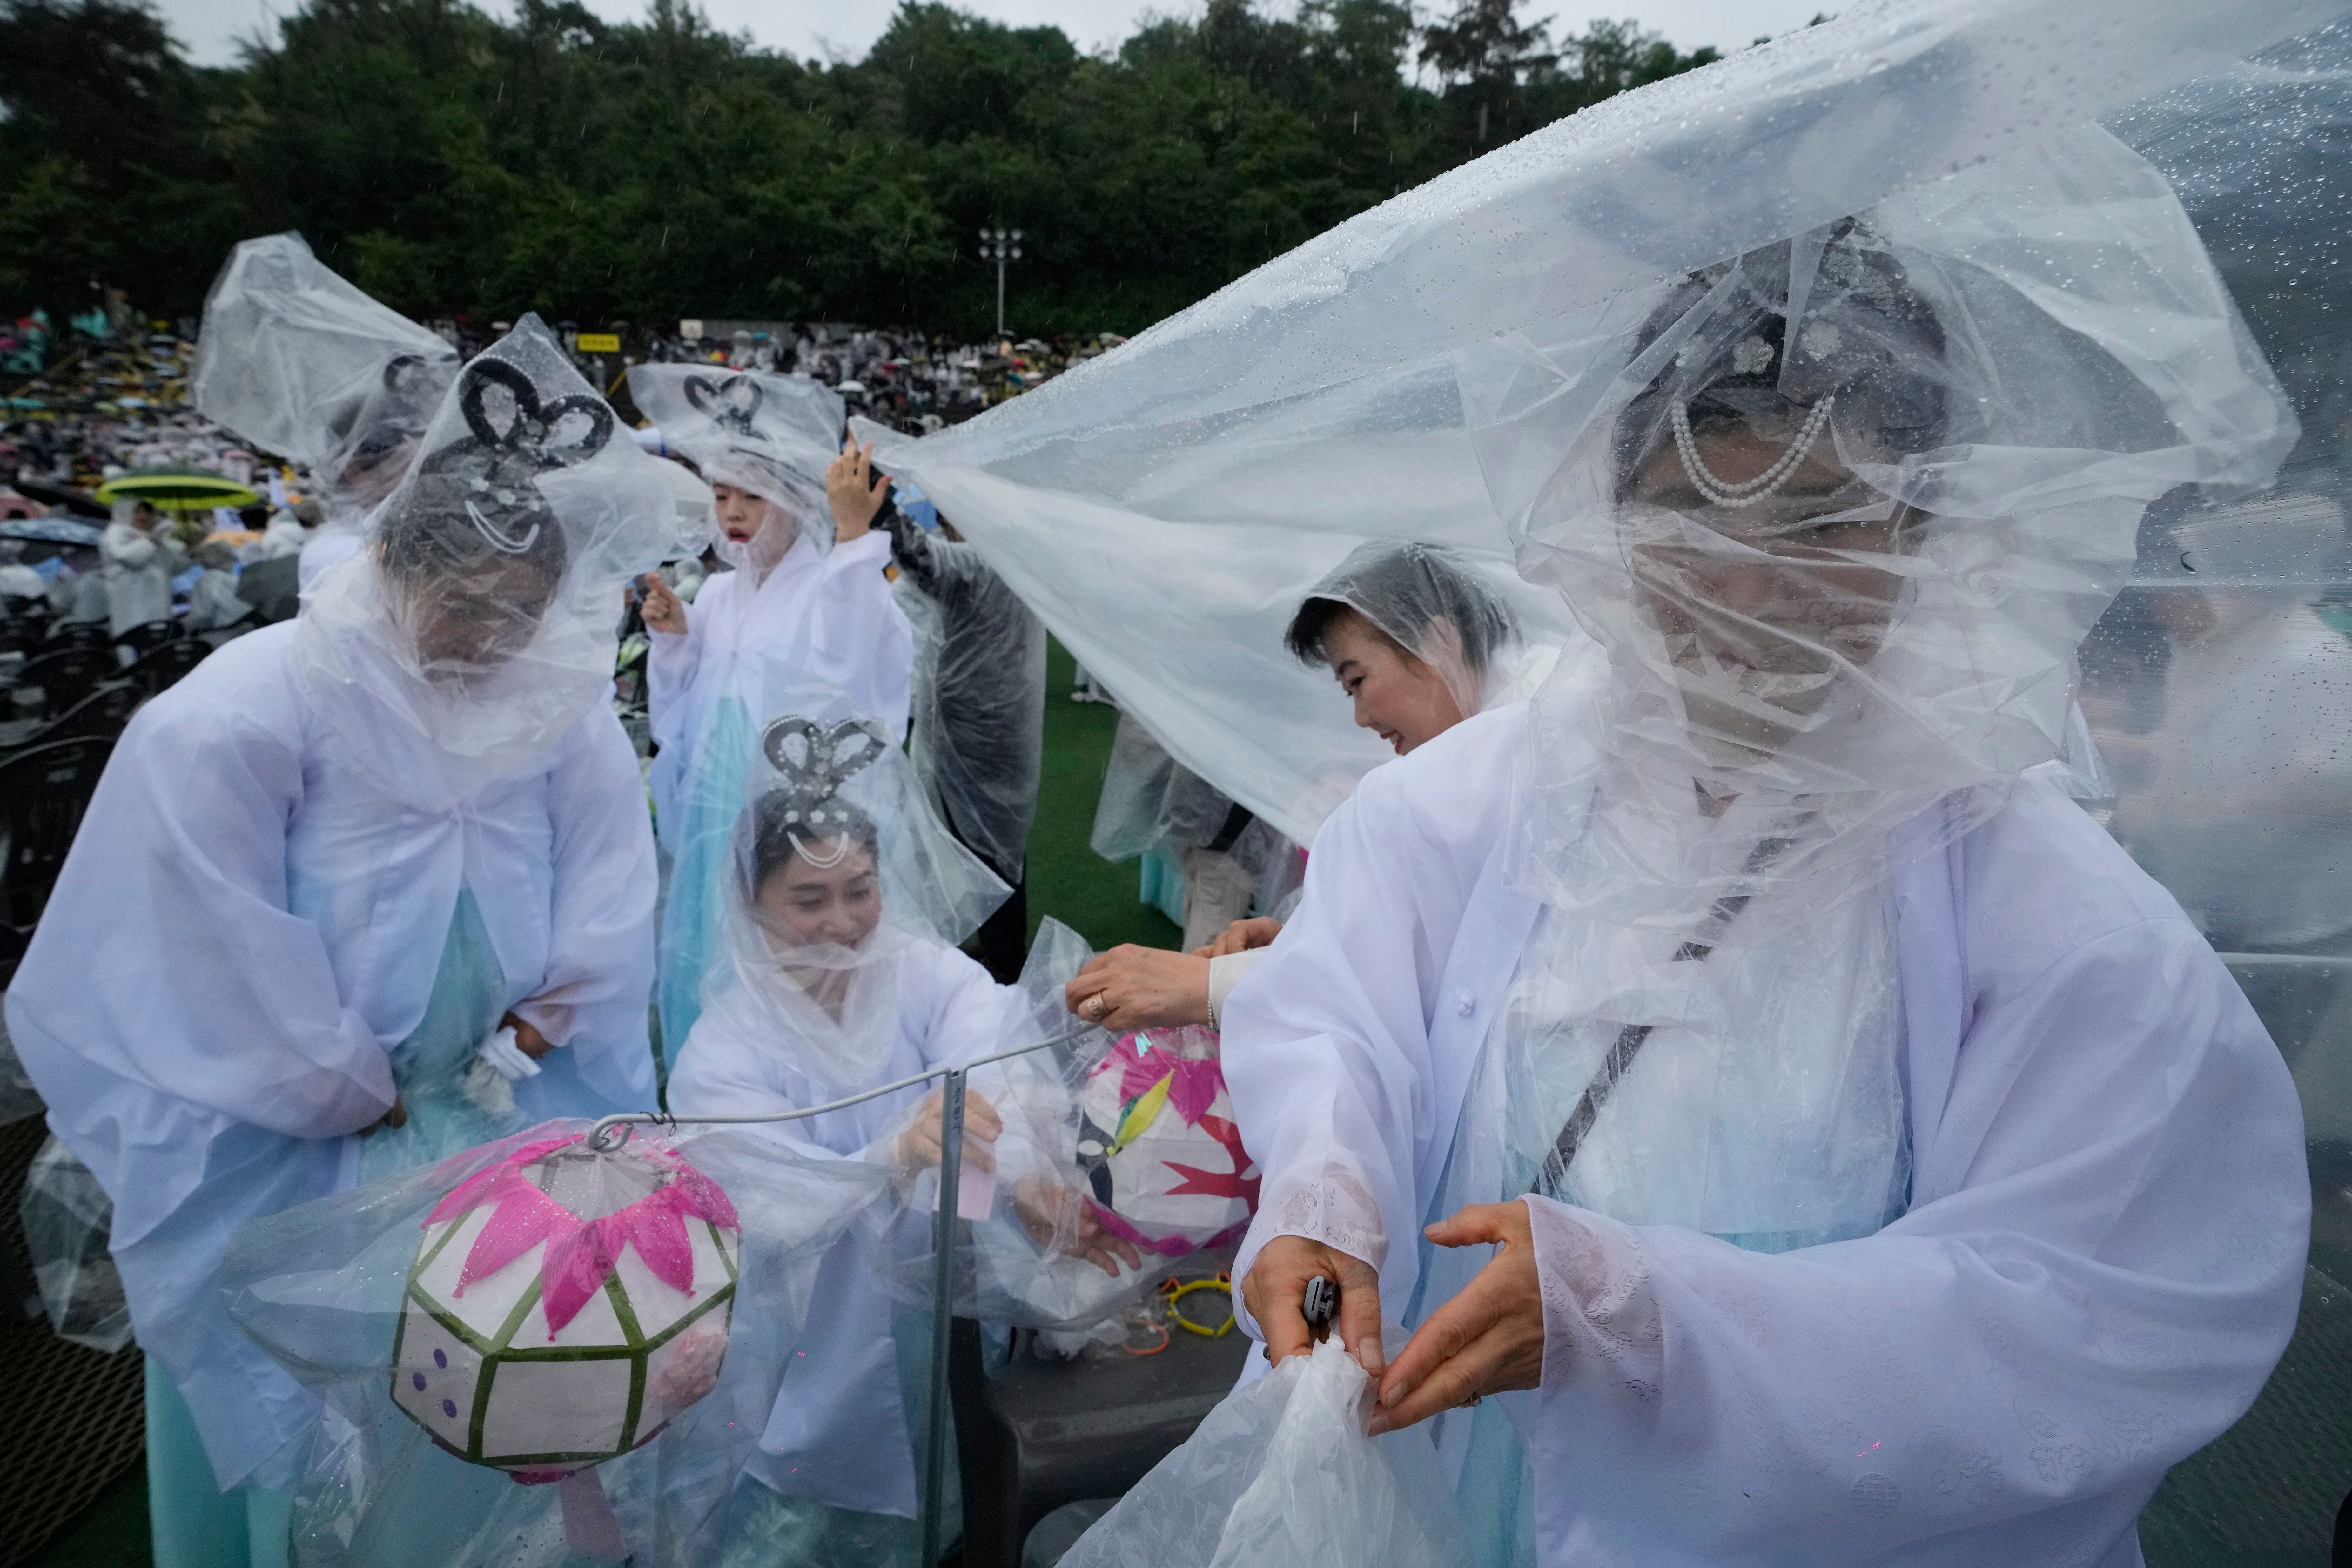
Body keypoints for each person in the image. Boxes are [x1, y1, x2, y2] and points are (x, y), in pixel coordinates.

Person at [1224, 129, 2308, 1565]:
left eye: (1820, 520)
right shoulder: (1494, 795)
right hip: (1481, 1488)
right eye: (1692, 519)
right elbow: (1342, 1000)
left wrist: (1665, 1323)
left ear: (1923, 523)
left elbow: (2115, 1301)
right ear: (1613, 520)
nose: (1748, 588)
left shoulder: (2032, 894)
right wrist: (1323, 1187)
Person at [6, 318, 688, 1568]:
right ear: (390, 563)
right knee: (312, 1409)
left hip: (503, 1103)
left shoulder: (555, 698)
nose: (492, 639)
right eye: (465, 606)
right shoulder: (258, 698)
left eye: (522, 612)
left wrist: (553, 1013)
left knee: (509, 1387)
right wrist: (330, 1076)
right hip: (305, 1143)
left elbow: (607, 865)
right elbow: (200, 915)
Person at [667, 704, 1124, 1565]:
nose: (843, 922)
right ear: (750, 904)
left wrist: (1018, 1168)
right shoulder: (722, 1050)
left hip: (934, 1309)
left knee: (941, 1455)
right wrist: (889, 1157)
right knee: (816, 1512)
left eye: (860, 889)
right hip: (818, 1337)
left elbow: (990, 1045)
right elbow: (764, 1194)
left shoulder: (913, 967)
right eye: (808, 900)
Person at [1067, 543, 1520, 1033]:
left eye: (1358, 679)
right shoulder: (1483, 762)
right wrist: (1291, 949)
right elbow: (1420, 954)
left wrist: (1217, 985)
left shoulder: (1529, 772)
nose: (1361, 717)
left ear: (1439, 641)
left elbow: (1469, 992)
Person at [629, 362, 913, 1057]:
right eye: (722, 495)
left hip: (790, 810)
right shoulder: (718, 595)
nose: (732, 512)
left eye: (752, 497)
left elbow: (854, 675)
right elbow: (689, 713)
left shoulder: (828, 584)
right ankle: (715, 1068)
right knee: (711, 929)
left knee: (787, 943)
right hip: (716, 812)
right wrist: (677, 639)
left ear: (793, 499)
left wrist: (854, 541)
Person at [188, 232, 459, 602]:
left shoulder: (392, 532)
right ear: (351, 472)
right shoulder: (341, 553)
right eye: (396, 460)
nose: (412, 472)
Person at [861, 480, 1048, 983]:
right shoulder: (1018, 560)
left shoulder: (982, 564)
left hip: (975, 736)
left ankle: (1003, 963)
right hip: (995, 732)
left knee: (981, 853)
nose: (947, 528)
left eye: (952, 518)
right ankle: (999, 951)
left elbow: (918, 555)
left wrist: (876, 497)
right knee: (995, 850)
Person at [101, 498, 177, 638]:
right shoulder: (116, 532)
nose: (143, 516)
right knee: (134, 642)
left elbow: (172, 567)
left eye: (148, 511)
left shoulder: (150, 535)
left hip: (157, 609)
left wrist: (189, 552)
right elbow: (129, 558)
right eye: (137, 511)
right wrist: (150, 540)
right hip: (132, 608)